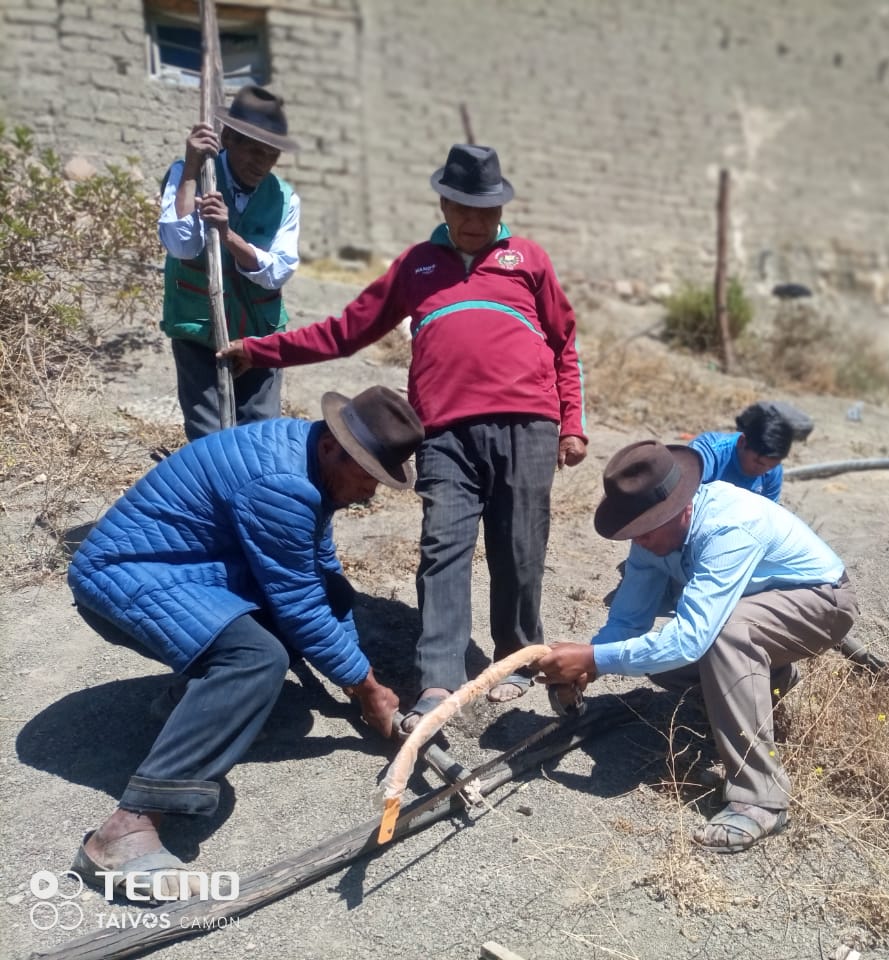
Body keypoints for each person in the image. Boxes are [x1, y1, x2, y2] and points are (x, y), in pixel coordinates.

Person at [219, 144, 587, 729]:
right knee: (442, 549)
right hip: (441, 433)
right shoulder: (416, 265)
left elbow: (565, 342)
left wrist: (572, 423)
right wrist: (261, 350)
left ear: (500, 209)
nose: (474, 221)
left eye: (485, 210)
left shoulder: (528, 259)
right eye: (462, 207)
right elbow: (346, 331)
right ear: (443, 202)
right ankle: (438, 679)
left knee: (520, 548)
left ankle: (517, 659)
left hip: (527, 425)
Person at [67, 386, 423, 899]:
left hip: (193, 565)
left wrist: (355, 677)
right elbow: (300, 606)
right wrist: (366, 687)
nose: (369, 493)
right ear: (332, 448)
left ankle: (187, 708)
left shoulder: (306, 458)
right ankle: (123, 832)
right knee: (257, 658)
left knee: (300, 614)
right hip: (127, 572)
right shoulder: (283, 485)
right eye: (367, 476)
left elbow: (322, 578)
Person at [536, 440, 859, 853]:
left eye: (649, 529)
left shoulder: (727, 526)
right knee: (652, 651)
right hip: (761, 607)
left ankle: (762, 800)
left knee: (725, 634)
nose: (642, 541)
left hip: (823, 602)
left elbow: (690, 640)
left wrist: (594, 656)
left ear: (681, 507)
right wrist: (591, 664)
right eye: (635, 531)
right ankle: (772, 678)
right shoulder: (650, 536)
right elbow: (628, 620)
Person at [160, 85, 301, 441]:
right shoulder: (187, 174)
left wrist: (229, 236)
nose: (261, 163)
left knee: (260, 436)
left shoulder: (285, 197)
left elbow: (279, 271)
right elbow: (180, 245)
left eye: (271, 155)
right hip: (198, 328)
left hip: (259, 335)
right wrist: (192, 170)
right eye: (253, 150)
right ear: (228, 139)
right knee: (208, 438)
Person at [688, 400, 811, 502]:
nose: (763, 470)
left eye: (771, 465)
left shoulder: (773, 469)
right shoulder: (708, 453)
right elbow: (684, 503)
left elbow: (767, 514)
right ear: (742, 442)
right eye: (758, 462)